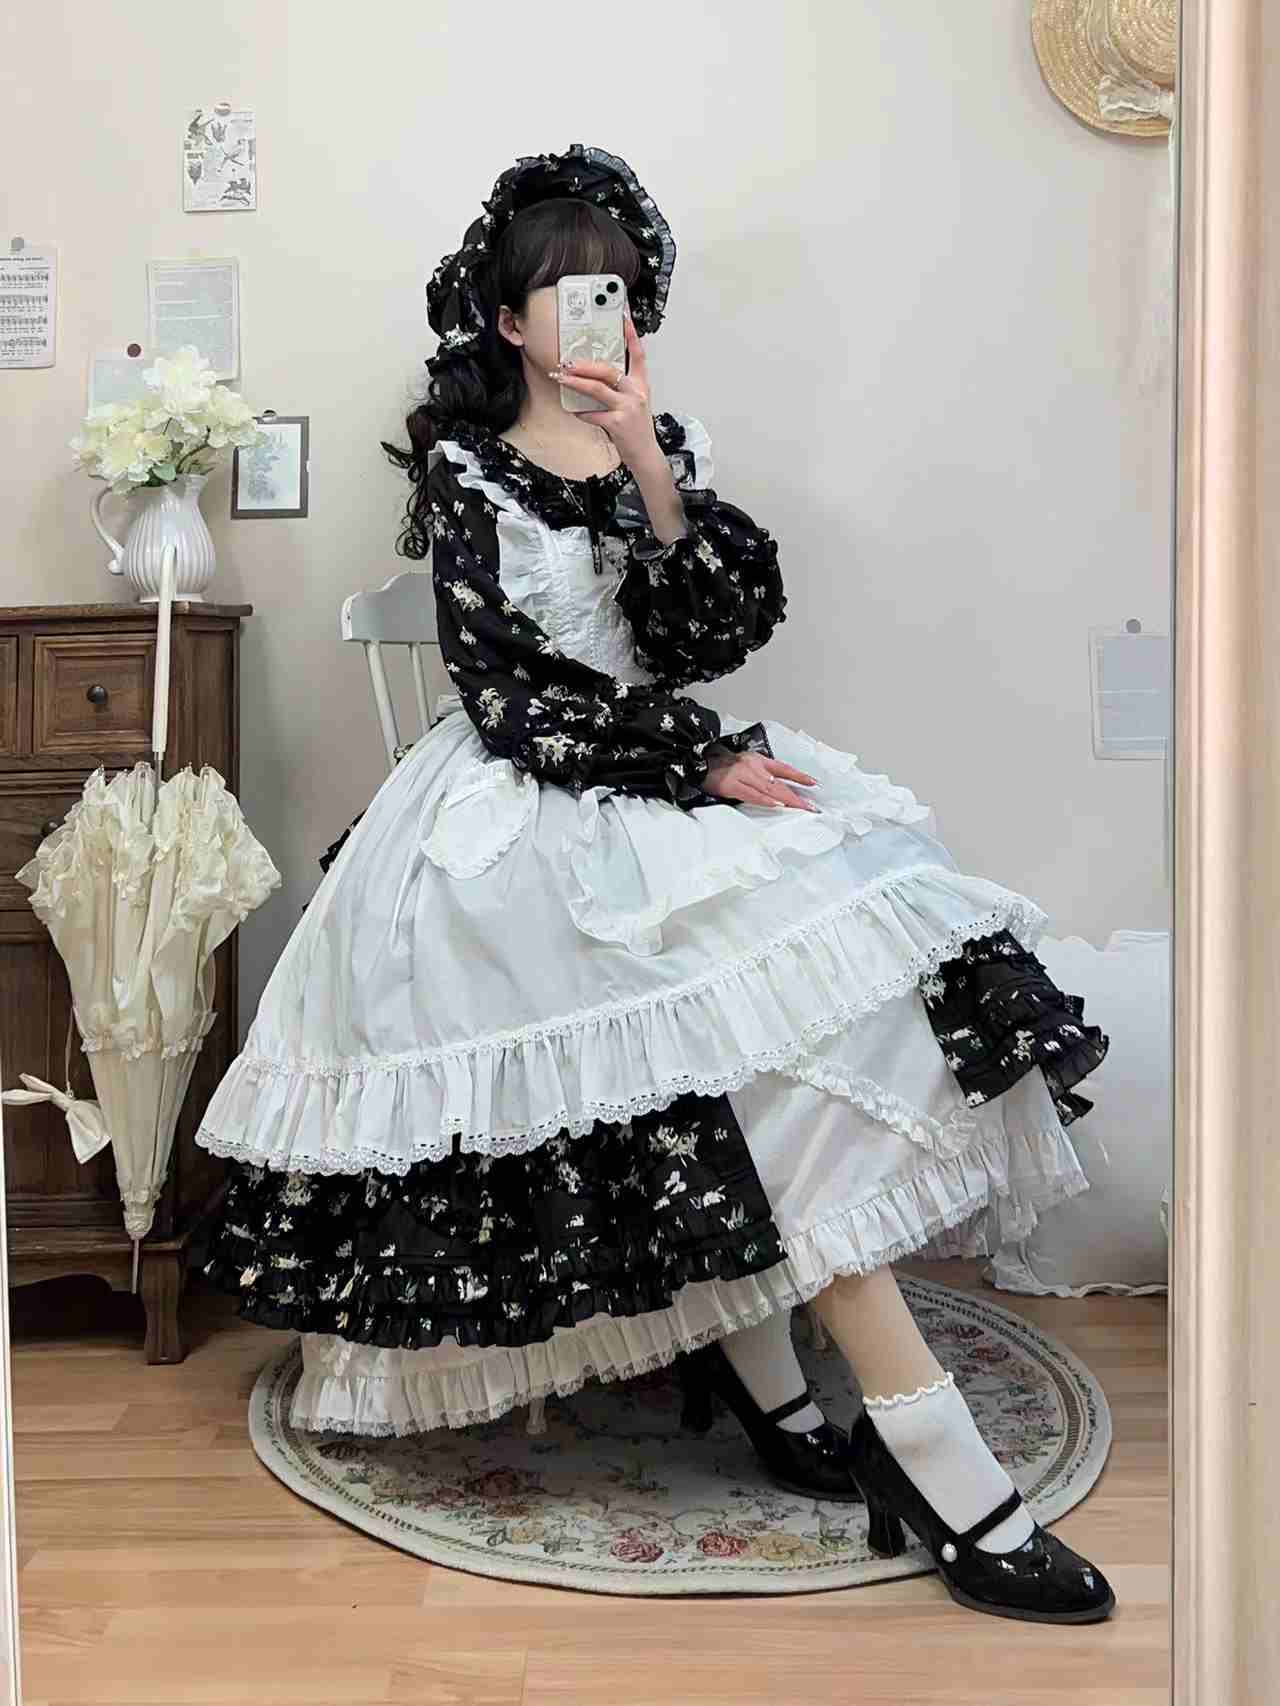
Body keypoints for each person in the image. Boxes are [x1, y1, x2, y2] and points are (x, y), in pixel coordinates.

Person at [193, 144, 1114, 1624]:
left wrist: (649, 469)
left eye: (614, 290)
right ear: (508, 322)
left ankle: (778, 1374)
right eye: (564, 294)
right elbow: (510, 699)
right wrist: (698, 766)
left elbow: (706, 637)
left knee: (852, 967)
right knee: (719, 1045)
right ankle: (907, 1444)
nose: (594, 315)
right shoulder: (466, 470)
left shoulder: (652, 442)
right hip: (526, 806)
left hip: (665, 774)